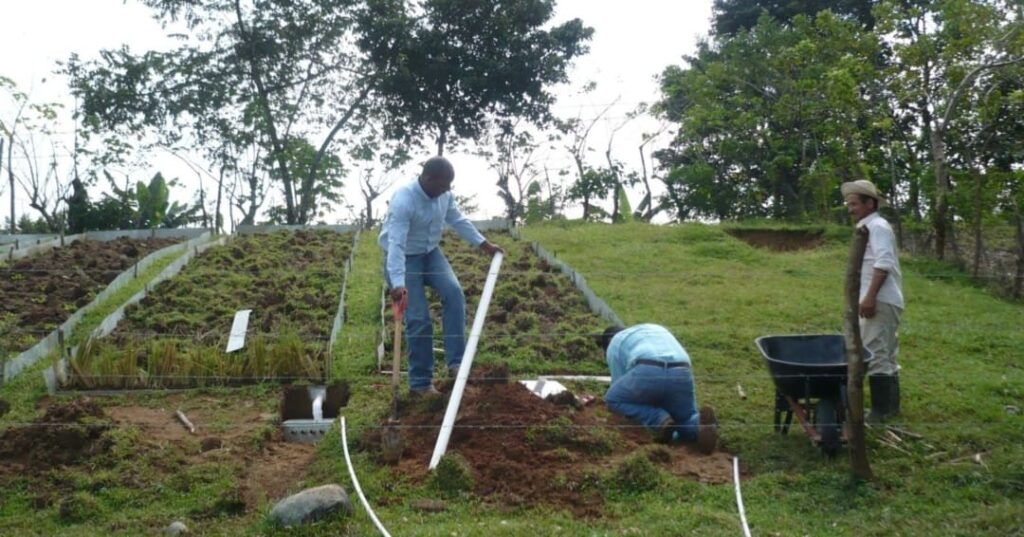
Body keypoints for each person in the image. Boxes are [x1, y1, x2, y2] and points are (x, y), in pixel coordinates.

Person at [379, 156, 502, 397]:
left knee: (454, 294)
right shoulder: (404, 200)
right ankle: (421, 384)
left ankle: (457, 365)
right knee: (419, 319)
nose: (447, 190)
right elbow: (395, 245)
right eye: (443, 185)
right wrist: (398, 284)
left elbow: (457, 219)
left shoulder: (443, 195)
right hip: (405, 259)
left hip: (431, 253)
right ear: (428, 179)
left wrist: (483, 244)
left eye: (449, 186)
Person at [599, 324, 718, 454]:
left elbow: (620, 386)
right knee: (685, 418)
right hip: (681, 370)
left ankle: (658, 419)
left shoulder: (615, 342)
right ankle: (698, 424)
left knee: (613, 399)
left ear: (608, 342)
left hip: (647, 371)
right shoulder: (653, 328)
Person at [842, 179, 904, 422]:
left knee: (875, 352)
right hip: (885, 299)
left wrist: (869, 297)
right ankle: (890, 408)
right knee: (886, 353)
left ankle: (880, 411)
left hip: (879, 300)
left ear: (870, 203)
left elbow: (884, 263)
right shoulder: (869, 226)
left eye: (855, 204)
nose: (850, 209)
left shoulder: (877, 227)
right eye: (849, 204)